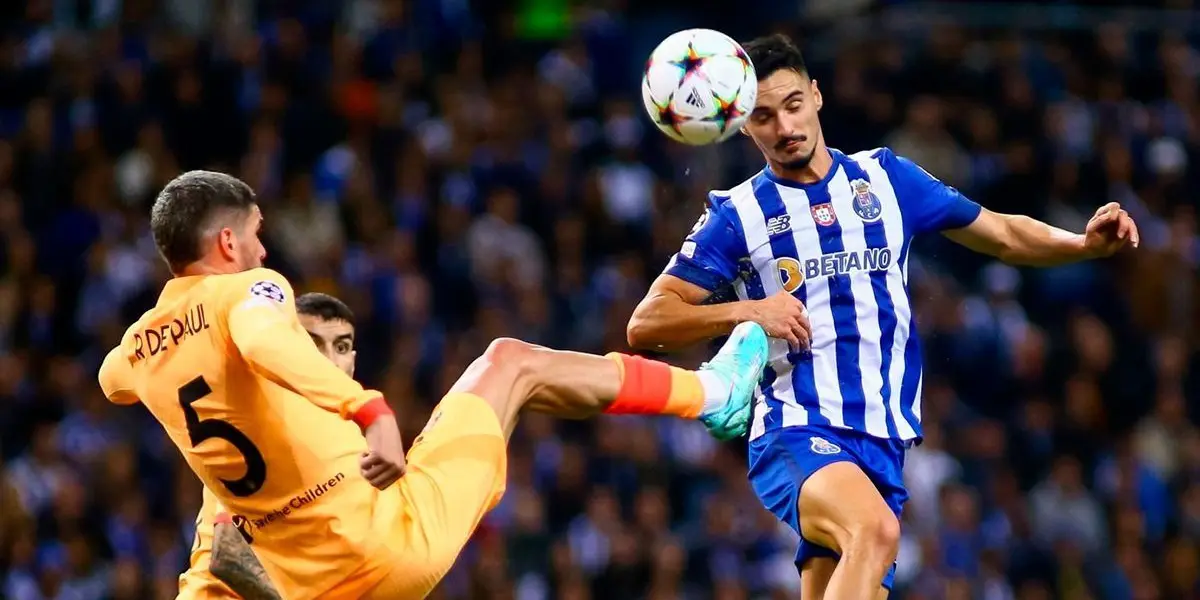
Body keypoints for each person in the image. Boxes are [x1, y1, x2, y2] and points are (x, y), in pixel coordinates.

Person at [626, 33, 1138, 600]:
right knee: (875, 530)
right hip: (798, 430)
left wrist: (1082, 245)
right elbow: (648, 322)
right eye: (764, 115)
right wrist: (749, 311)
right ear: (743, 125)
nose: (785, 126)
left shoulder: (886, 179)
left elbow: (1004, 234)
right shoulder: (737, 213)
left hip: (884, 446)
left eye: (793, 104)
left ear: (817, 96)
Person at [98, 170, 768, 600]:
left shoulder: (137, 352)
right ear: (224, 243)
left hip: (299, 580)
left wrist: (157, 346)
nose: (265, 251)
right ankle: (714, 395)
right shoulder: (250, 292)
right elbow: (265, 338)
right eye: (255, 236)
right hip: (384, 546)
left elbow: (111, 382)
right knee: (511, 362)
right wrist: (367, 406)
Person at [178, 292, 355, 600]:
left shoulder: (344, 441)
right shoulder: (258, 423)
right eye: (313, 344)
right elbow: (229, 554)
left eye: (341, 346)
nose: (329, 360)